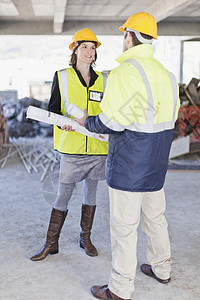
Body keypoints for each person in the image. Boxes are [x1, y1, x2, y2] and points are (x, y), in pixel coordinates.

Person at [76, 12, 180, 300]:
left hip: (129, 165)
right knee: (156, 218)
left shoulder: (124, 73)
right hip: (157, 164)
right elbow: (169, 121)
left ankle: (120, 289)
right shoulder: (168, 76)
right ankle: (162, 268)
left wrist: (88, 121)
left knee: (124, 228)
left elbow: (111, 122)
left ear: (128, 36)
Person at [30, 28, 108, 261]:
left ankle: (86, 237)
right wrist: (61, 123)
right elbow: (53, 109)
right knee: (62, 195)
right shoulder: (62, 76)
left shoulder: (103, 79)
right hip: (72, 147)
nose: (89, 51)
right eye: (84, 46)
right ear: (74, 50)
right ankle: (51, 243)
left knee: (91, 195)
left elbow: (108, 111)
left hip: (97, 148)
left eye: (93, 47)